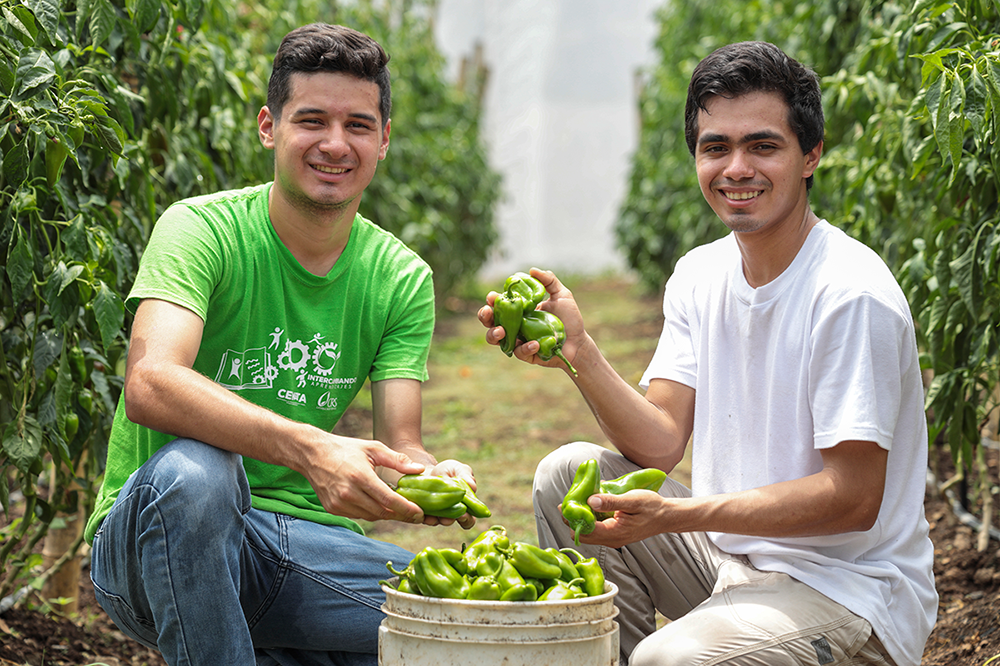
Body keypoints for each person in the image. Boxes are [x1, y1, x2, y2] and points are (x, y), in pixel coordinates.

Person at [479, 41, 936, 666]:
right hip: (732, 564)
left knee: (672, 661)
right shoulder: (700, 273)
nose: (736, 167)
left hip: (849, 595)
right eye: (715, 147)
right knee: (565, 475)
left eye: (763, 146)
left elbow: (853, 497)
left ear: (811, 156)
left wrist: (675, 514)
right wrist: (578, 350)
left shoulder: (850, 293)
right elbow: (663, 441)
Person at [85, 23, 479, 666]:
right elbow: (150, 382)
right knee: (197, 473)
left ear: (383, 138)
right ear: (269, 127)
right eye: (311, 120)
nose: (334, 144)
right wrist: (311, 447)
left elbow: (400, 443)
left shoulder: (401, 277)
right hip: (154, 544)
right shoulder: (201, 229)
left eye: (357, 125)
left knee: (465, 619)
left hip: (304, 546)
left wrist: (433, 476)